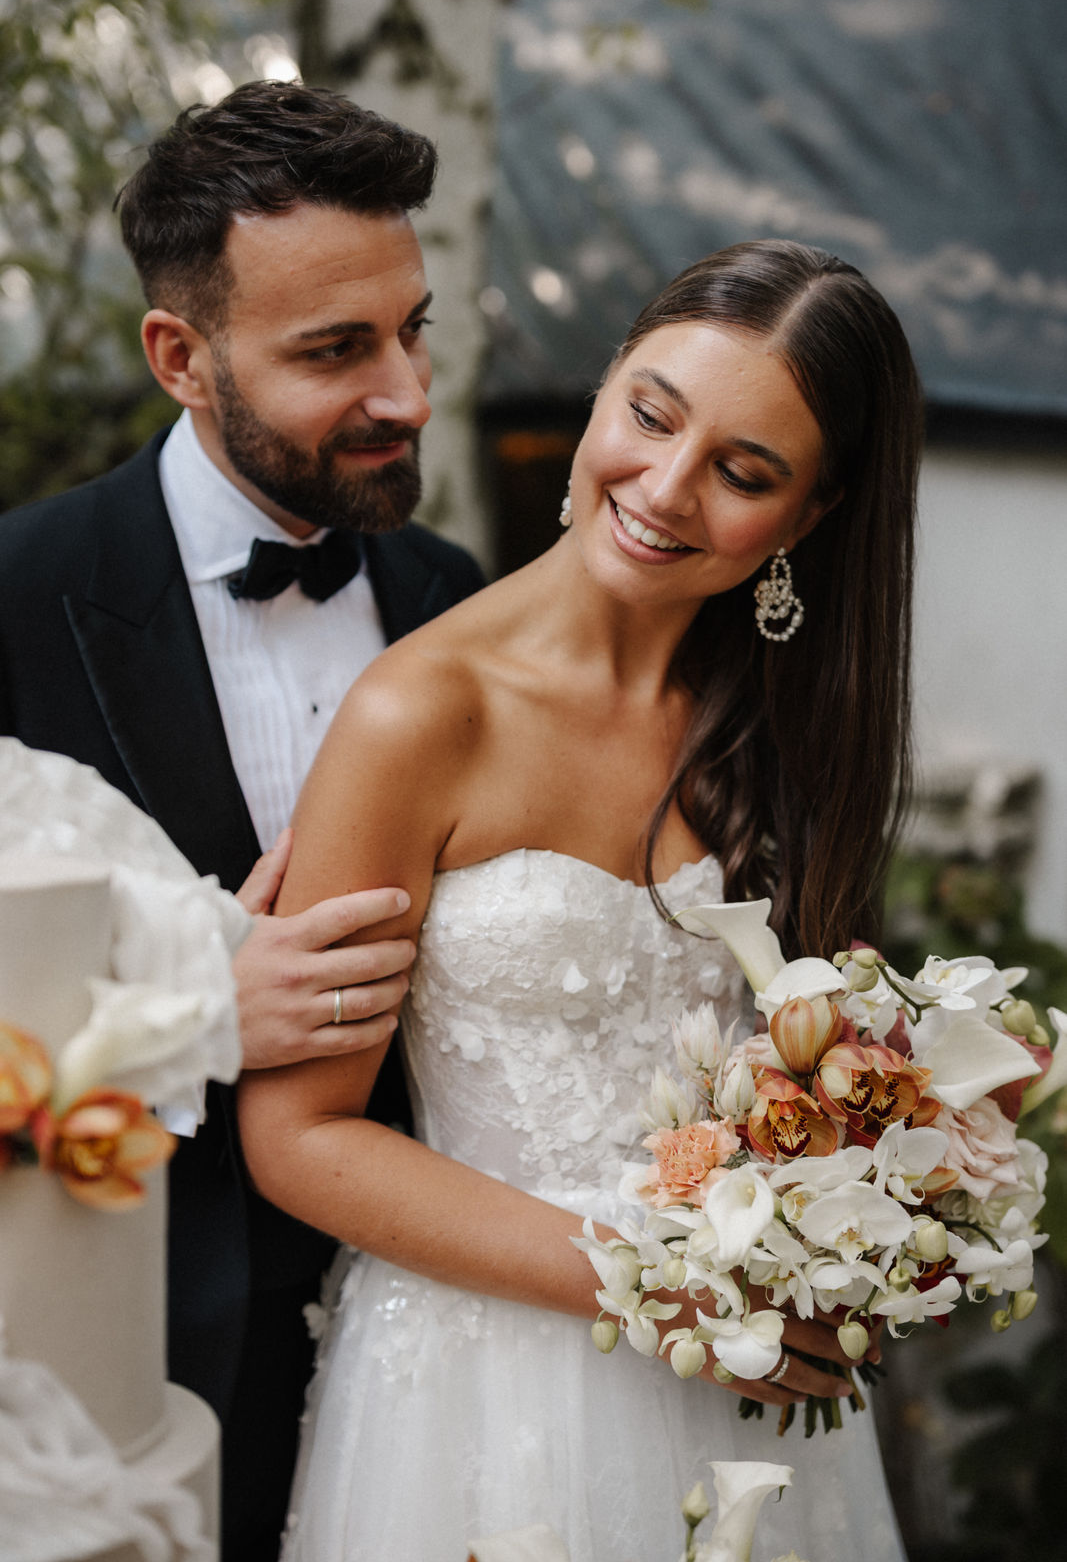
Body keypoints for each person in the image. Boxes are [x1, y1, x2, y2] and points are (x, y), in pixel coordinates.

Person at [238, 239, 921, 1561]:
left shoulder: (790, 723)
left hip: (742, 1387)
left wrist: (876, 1227)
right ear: (605, 385)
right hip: (476, 1393)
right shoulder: (419, 711)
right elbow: (303, 1135)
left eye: (743, 472)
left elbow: (838, 1066)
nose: (663, 488)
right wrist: (659, 1283)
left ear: (813, 516)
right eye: (651, 414)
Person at [0, 81, 485, 1559]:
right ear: (180, 355)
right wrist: (186, 999)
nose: (404, 393)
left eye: (411, 328)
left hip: (437, 1345)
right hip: (120, 1355)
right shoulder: (17, 595)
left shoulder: (455, 600)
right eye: (336, 350)